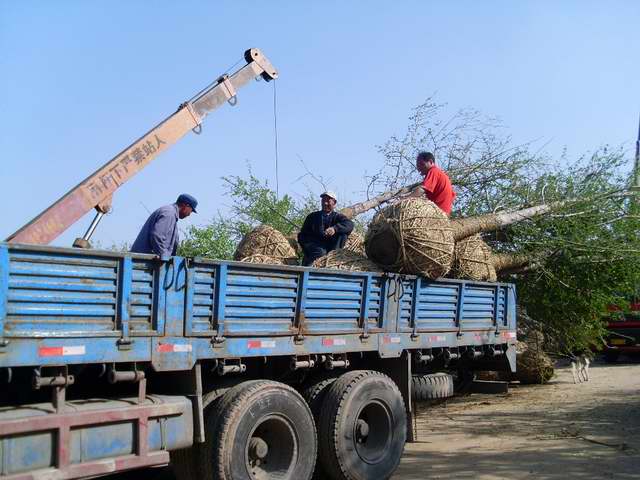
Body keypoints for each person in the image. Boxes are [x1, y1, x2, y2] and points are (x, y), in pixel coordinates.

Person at [130, 193, 198, 260]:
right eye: (191, 211)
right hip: (143, 261)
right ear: (185, 206)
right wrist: (164, 257)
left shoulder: (171, 213)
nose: (189, 214)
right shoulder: (169, 213)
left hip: (143, 259)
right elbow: (157, 235)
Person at [298, 191, 354, 266]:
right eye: (323, 200)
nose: (325, 203)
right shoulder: (312, 217)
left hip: (331, 248)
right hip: (315, 247)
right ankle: (308, 268)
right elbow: (302, 235)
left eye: (328, 201)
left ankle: (333, 260)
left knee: (343, 234)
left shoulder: (337, 217)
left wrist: (335, 229)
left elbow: (350, 224)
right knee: (320, 252)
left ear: (334, 203)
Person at [413, 151, 456, 215]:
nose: (419, 168)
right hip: (444, 212)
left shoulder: (433, 171)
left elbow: (422, 190)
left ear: (430, 162)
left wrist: (405, 199)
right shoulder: (440, 173)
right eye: (418, 166)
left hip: (437, 212)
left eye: (422, 164)